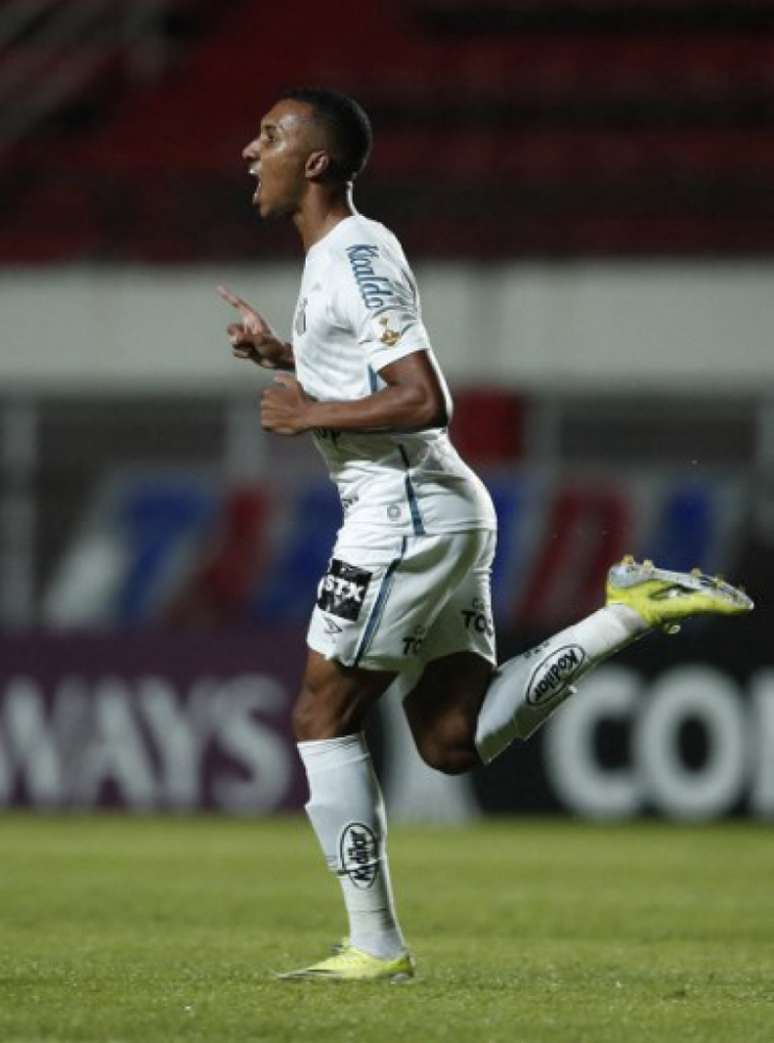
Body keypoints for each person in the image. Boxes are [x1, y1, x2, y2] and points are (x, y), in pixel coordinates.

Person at [218, 87, 753, 982]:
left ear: (315, 161)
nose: (250, 149)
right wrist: (287, 356)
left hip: (405, 510)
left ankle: (374, 945)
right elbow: (375, 370)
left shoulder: (355, 254)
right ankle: (624, 613)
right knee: (452, 739)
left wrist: (311, 409)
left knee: (320, 711)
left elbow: (428, 398)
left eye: (269, 135)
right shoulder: (332, 262)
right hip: (433, 507)